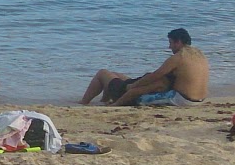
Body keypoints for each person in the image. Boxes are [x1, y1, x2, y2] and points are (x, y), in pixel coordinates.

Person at [81, 27, 209, 106]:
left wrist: (132, 86)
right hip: (199, 99)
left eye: (170, 43)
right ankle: (103, 101)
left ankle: (84, 103)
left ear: (178, 42)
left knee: (102, 73)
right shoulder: (199, 55)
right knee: (113, 74)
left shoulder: (179, 57)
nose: (169, 47)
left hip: (182, 100)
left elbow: (155, 76)